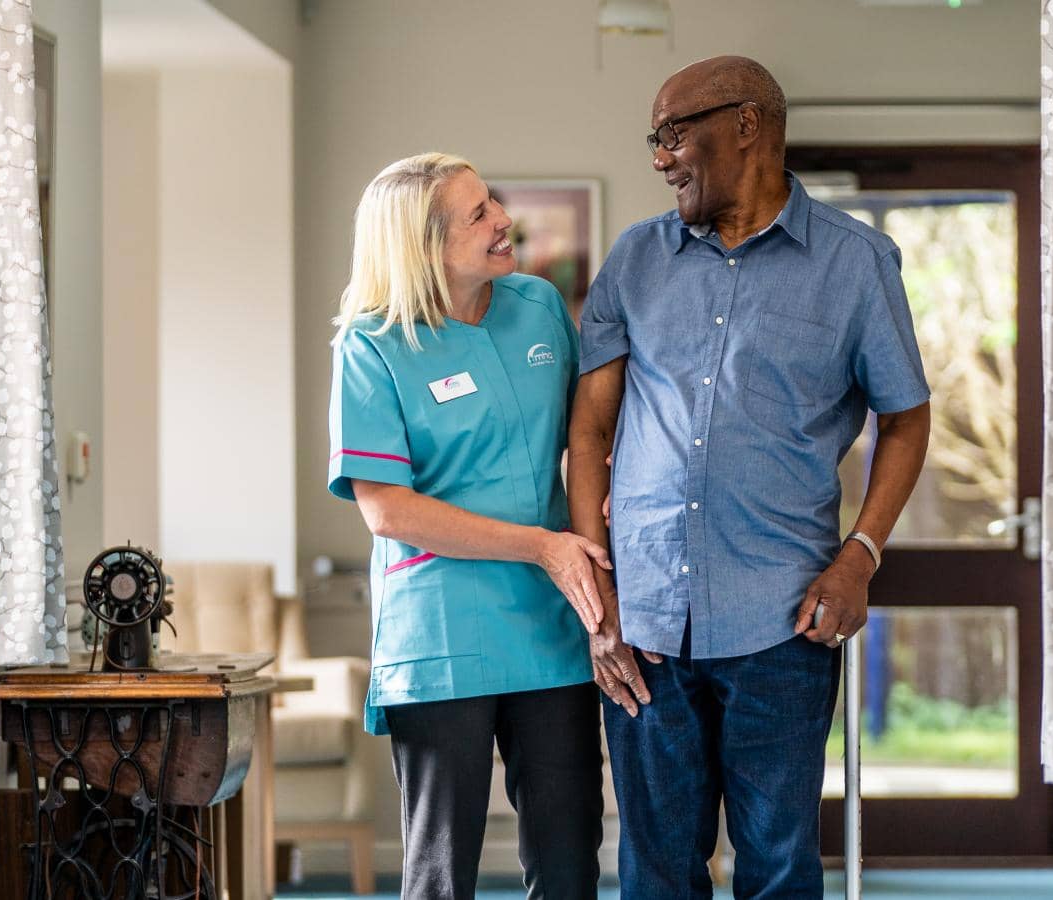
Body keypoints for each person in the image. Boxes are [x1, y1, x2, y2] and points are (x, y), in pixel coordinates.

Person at [567, 57, 933, 898]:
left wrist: (861, 555)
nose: (659, 158)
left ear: (746, 124)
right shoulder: (637, 259)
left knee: (776, 873)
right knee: (657, 873)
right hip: (645, 624)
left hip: (784, 624)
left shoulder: (856, 262)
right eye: (653, 140)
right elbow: (589, 430)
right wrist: (598, 596)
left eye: (672, 134)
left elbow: (906, 419)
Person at [327, 152, 607, 899]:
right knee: (442, 872)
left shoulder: (539, 306)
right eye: (478, 214)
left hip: (551, 625)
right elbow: (387, 507)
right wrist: (542, 547)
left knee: (571, 856)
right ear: (424, 245)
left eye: (494, 204)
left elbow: (588, 435)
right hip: (442, 629)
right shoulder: (371, 344)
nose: (502, 221)